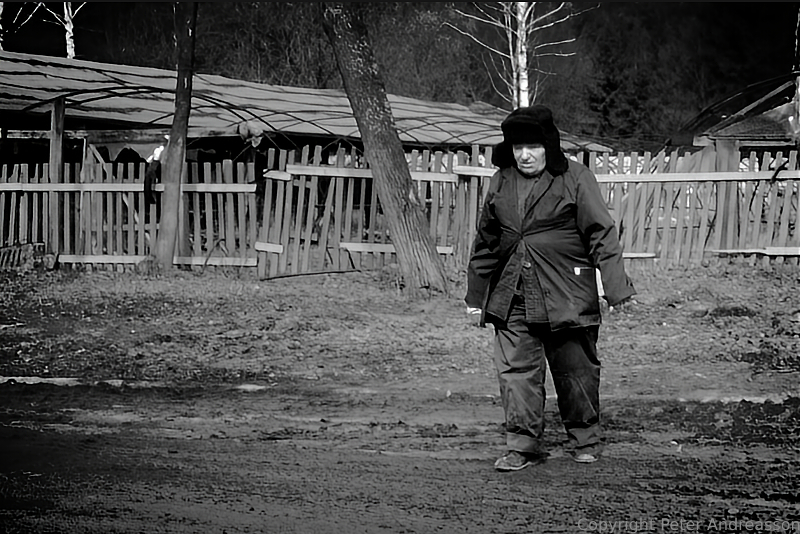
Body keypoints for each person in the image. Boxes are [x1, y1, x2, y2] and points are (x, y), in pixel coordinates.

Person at [465, 105, 636, 471]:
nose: (524, 155)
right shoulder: (501, 181)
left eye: (533, 146)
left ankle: (584, 438)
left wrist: (616, 287)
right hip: (512, 292)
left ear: (549, 145)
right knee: (516, 372)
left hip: (566, 291)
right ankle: (522, 445)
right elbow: (487, 239)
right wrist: (476, 294)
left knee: (575, 370)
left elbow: (601, 233)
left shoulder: (575, 178)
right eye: (517, 147)